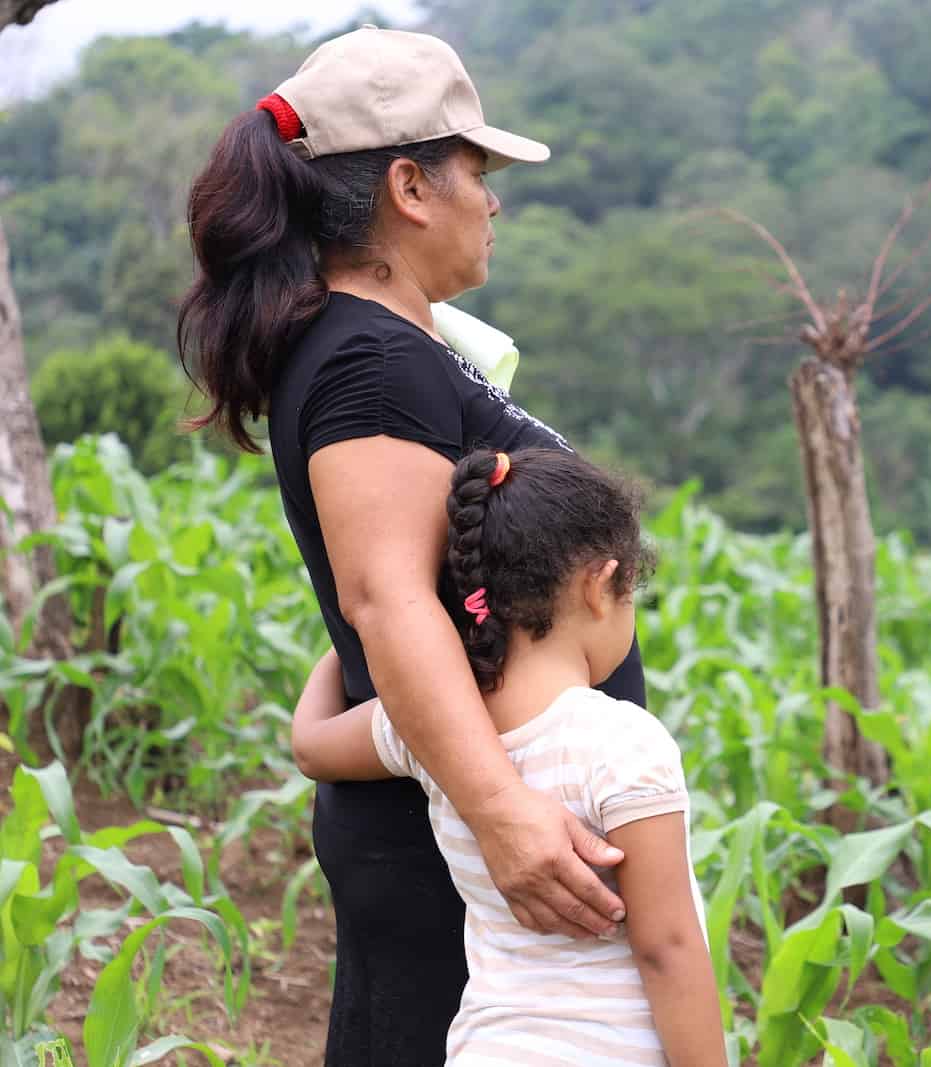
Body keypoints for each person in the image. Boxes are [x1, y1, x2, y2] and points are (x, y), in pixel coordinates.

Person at [177, 26, 640, 1063]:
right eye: (479, 171)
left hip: (457, 830)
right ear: (409, 187)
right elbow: (386, 599)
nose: (495, 200)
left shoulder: (397, 346)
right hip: (452, 845)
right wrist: (503, 814)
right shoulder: (369, 362)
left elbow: (409, 583)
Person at [291, 448, 725, 1066]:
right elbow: (667, 948)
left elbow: (311, 743)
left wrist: (366, 631)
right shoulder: (625, 743)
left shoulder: (428, 729)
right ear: (600, 587)